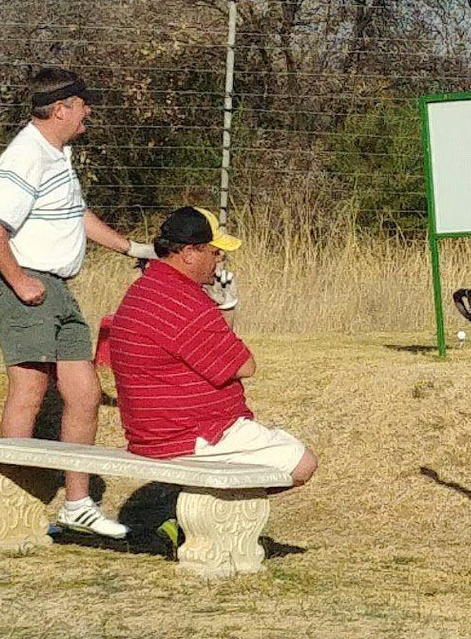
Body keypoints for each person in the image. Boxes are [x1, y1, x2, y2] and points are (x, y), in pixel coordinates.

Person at [0, 67, 155, 539]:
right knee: (29, 393)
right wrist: (18, 280)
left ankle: (77, 504)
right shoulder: (27, 155)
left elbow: (77, 214)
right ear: (60, 109)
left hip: (59, 290)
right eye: (81, 103)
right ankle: (7, 505)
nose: (88, 111)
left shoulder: (58, 154)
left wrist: (133, 250)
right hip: (27, 287)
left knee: (85, 393)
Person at [107, 207, 317, 488]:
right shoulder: (183, 301)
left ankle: (191, 517)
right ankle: (216, 522)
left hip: (153, 433)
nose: (220, 259)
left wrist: (221, 308)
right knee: (301, 462)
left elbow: (210, 354)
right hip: (191, 435)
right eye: (214, 251)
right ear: (190, 253)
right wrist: (223, 306)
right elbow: (244, 366)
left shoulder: (147, 289)